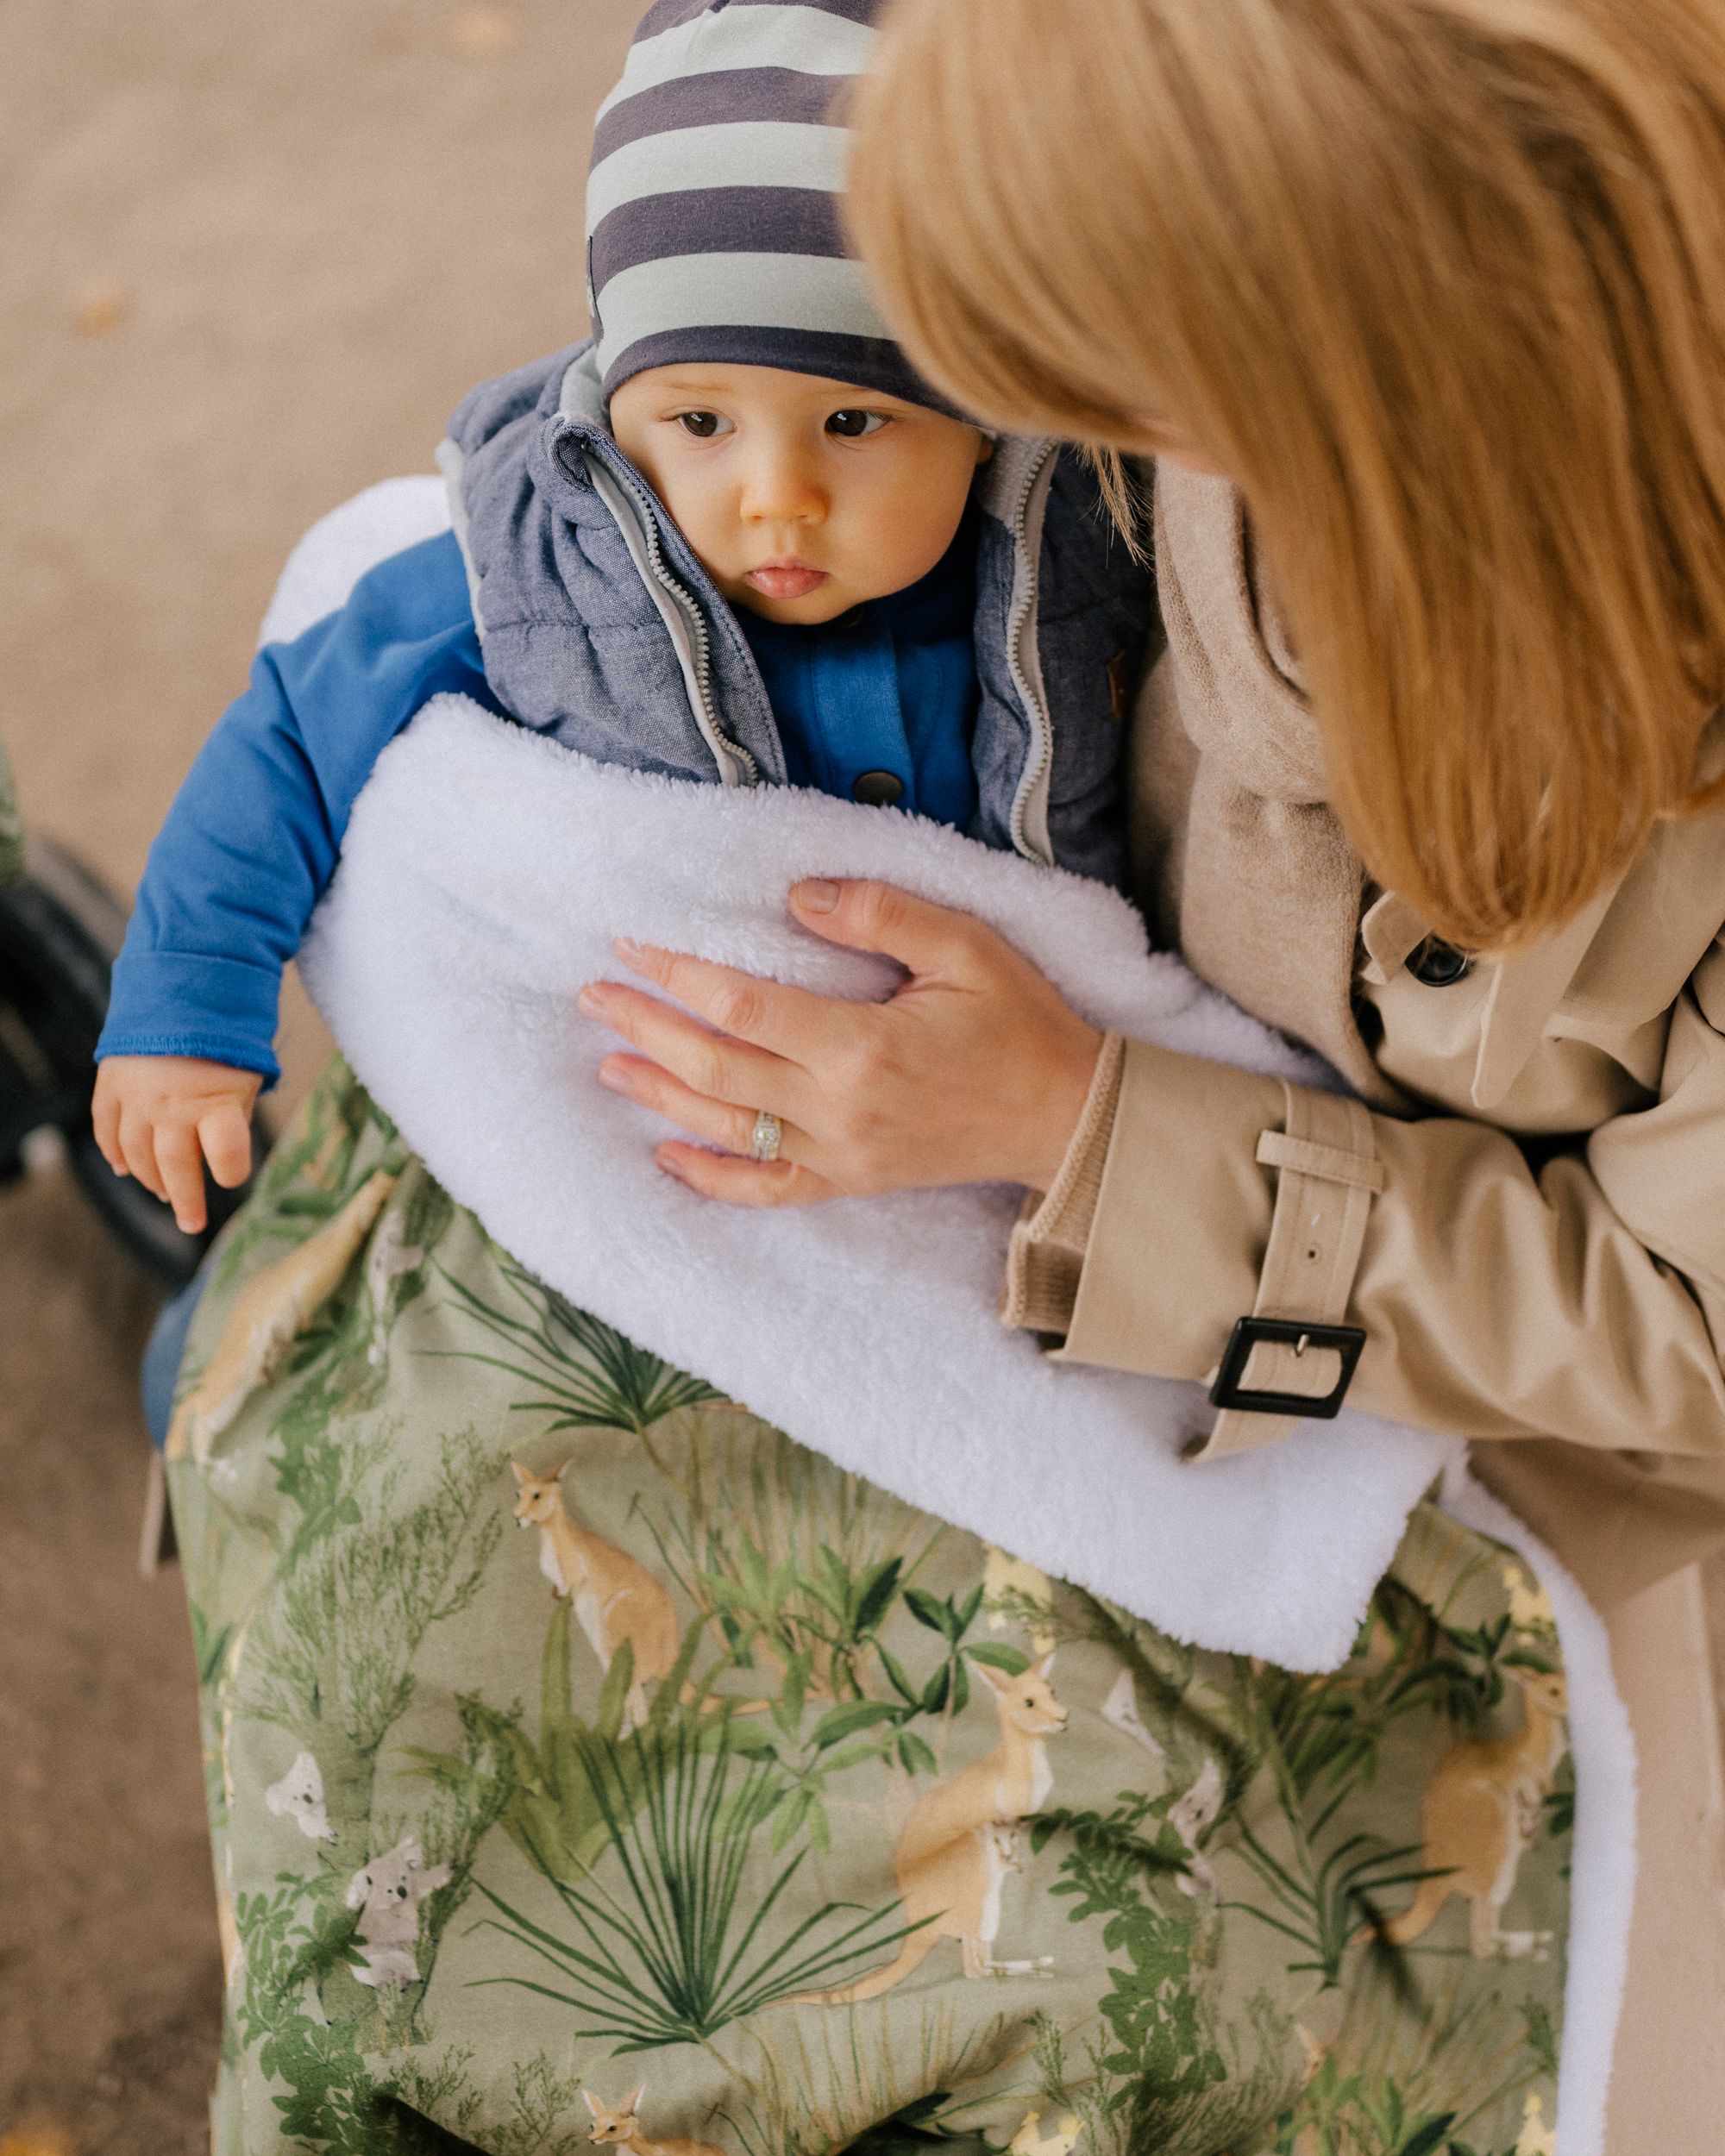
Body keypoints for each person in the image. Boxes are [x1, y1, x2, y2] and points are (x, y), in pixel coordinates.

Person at [575, 0, 1725, 1606]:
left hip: (1495, 1458)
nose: (1043, 422)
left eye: (1119, 387)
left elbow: (1683, 1332)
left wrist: (1074, 1127)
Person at [90, 0, 1146, 1241]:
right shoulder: (551, 571)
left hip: (952, 1127)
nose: (777, 498)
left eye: (855, 422)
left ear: (984, 421)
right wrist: (187, 1007)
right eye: (699, 423)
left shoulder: (1069, 552)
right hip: (627, 1102)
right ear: (616, 408)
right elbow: (289, 735)